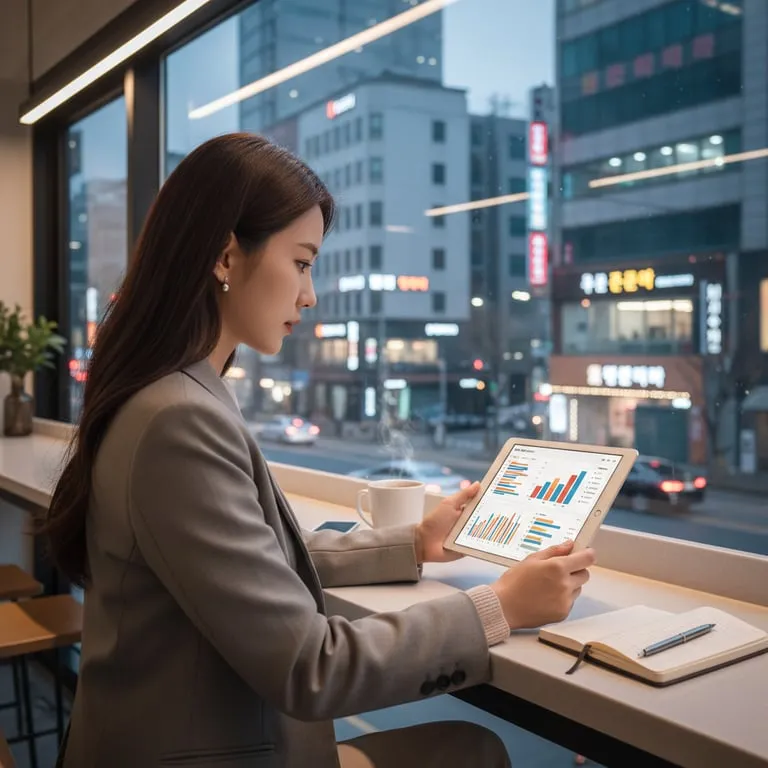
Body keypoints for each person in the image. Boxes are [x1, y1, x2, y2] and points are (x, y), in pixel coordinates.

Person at [43, 133, 595, 768]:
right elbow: (312, 667)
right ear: (226, 256)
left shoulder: (169, 393)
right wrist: (499, 607)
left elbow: (252, 559)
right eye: (302, 263)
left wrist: (412, 543)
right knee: (470, 751)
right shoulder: (178, 420)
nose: (309, 296)